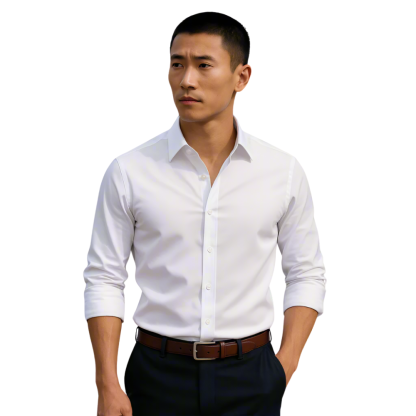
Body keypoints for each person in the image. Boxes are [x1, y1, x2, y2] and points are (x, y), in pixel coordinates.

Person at [83, 11, 327, 416]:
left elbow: (307, 272)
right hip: (156, 375)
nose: (186, 80)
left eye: (203, 65)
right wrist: (106, 383)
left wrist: (283, 367)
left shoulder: (281, 172)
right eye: (177, 64)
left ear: (241, 77)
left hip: (252, 375)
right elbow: (104, 276)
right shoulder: (130, 171)